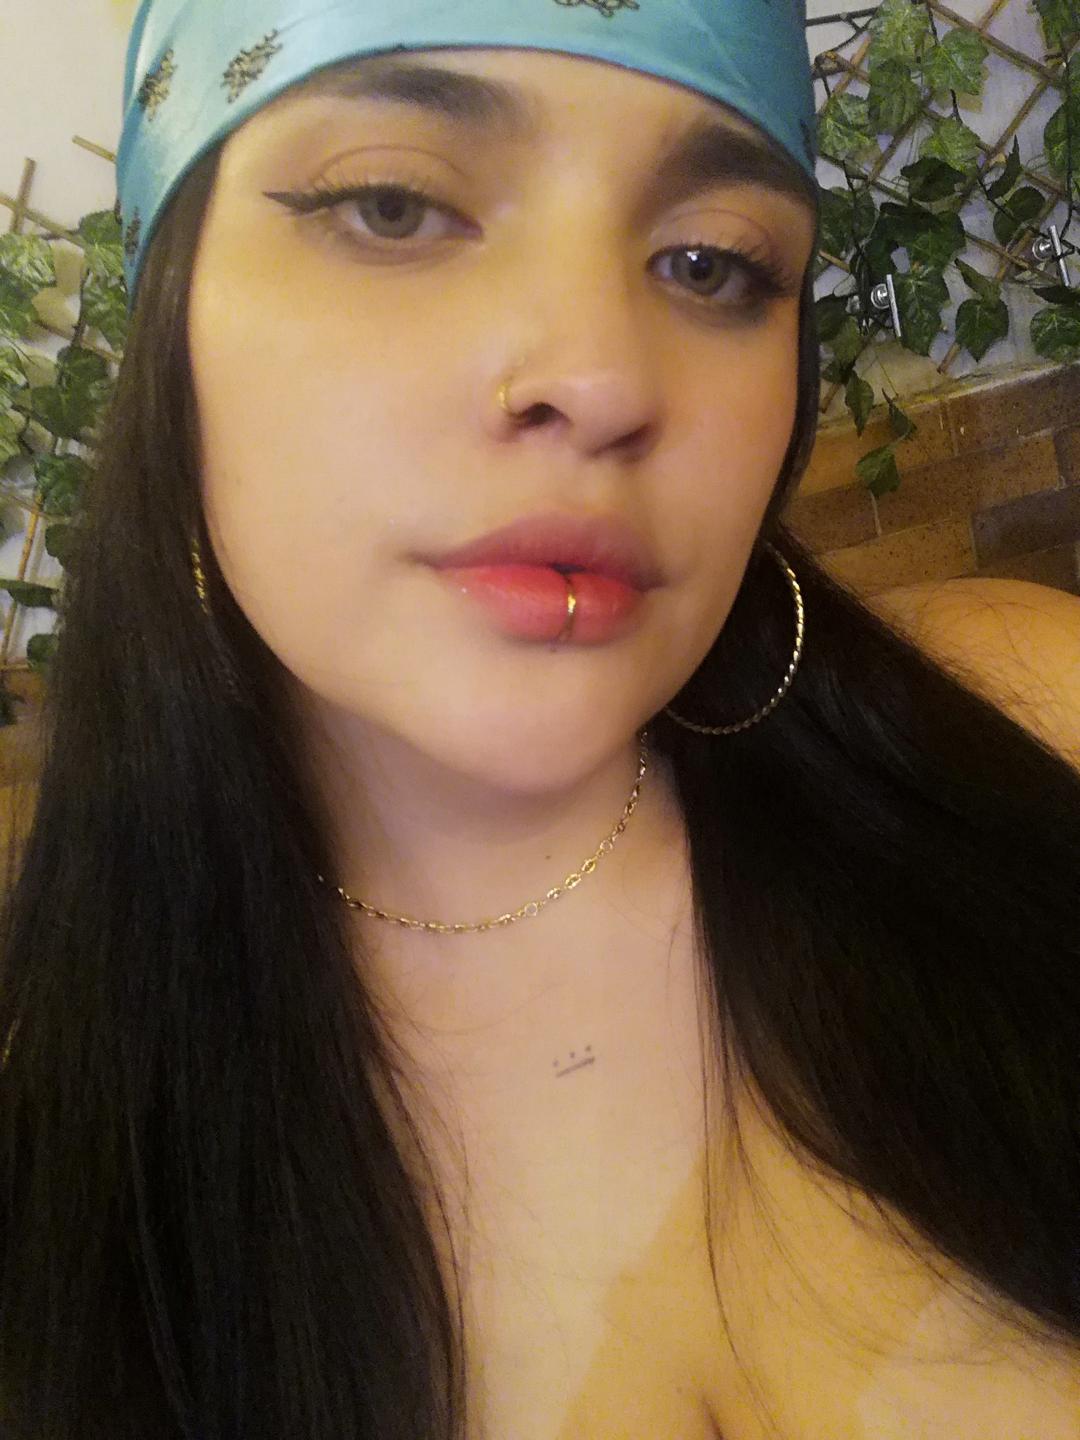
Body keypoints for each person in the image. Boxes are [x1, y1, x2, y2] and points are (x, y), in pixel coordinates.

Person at [0, 1, 1077, 1436]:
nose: (605, 378)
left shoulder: (1040, 716)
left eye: (711, 262)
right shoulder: (49, 1175)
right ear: (170, 325)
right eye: (394, 203)